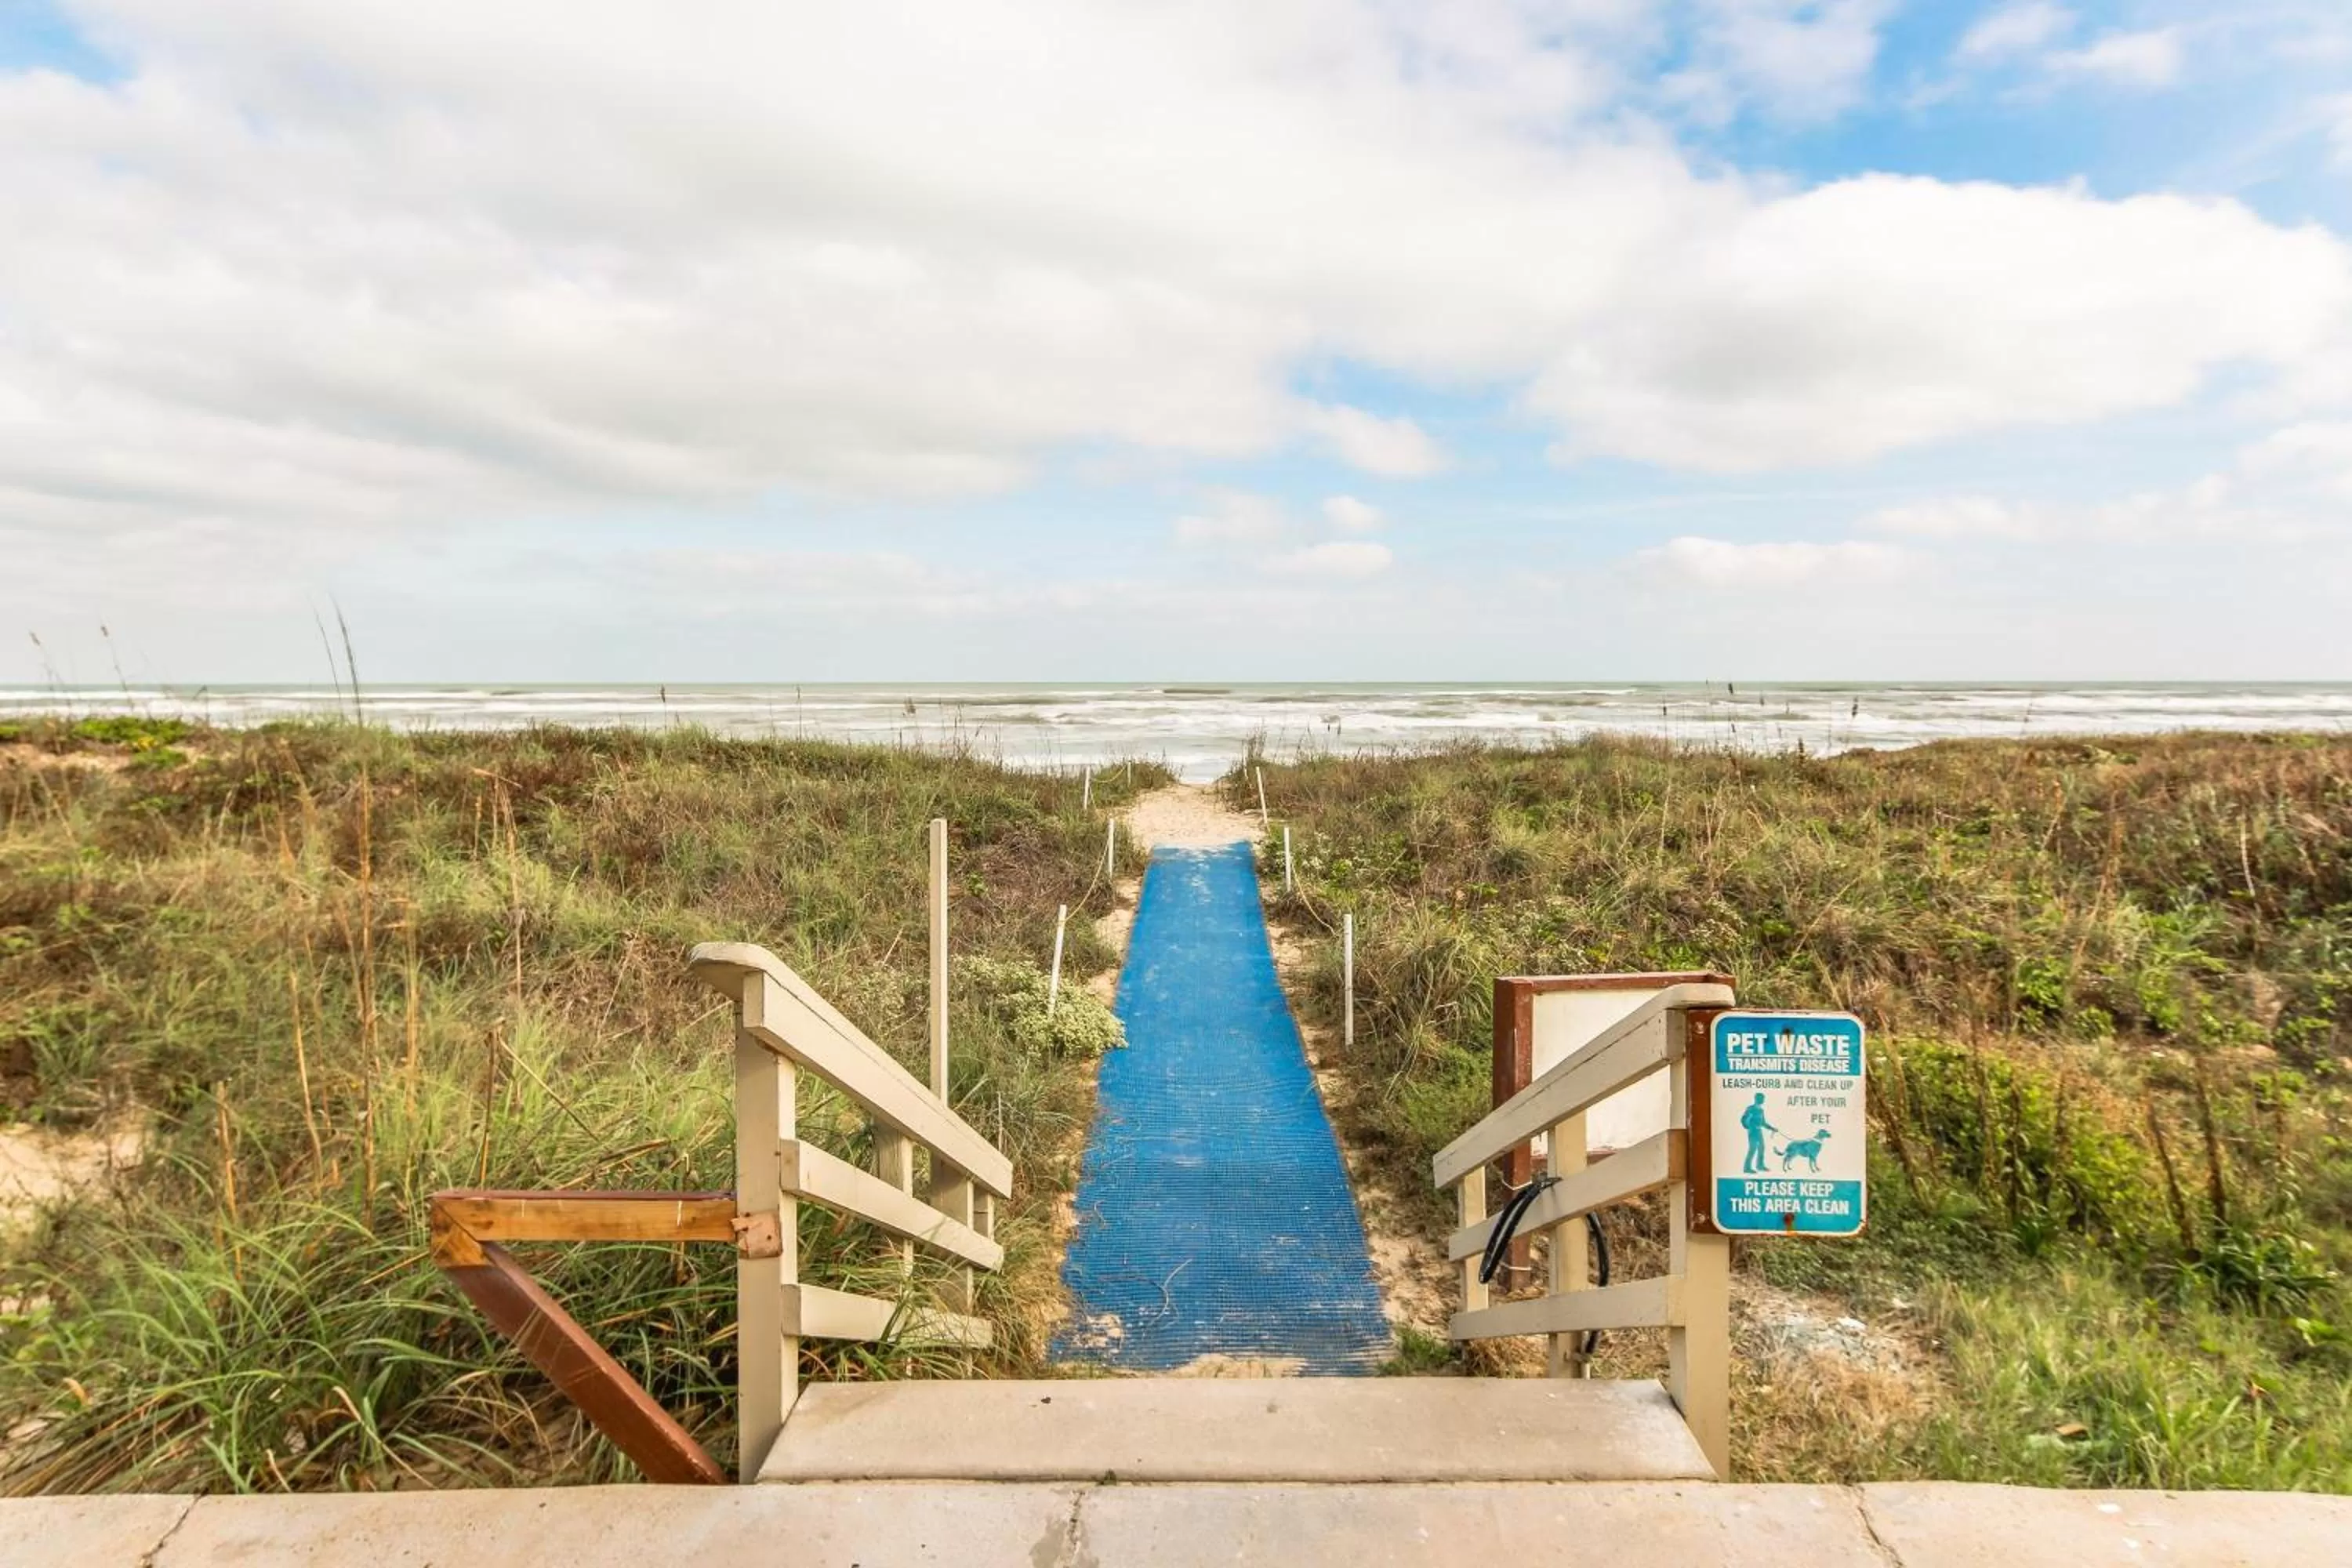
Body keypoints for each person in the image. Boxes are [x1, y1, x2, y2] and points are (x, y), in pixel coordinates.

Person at [1740, 1093, 1779, 1174]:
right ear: (1756, 1099)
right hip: (1752, 1132)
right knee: (1753, 1149)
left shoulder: (1761, 1110)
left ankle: (1760, 1166)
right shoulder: (1750, 1109)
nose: (1763, 1100)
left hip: (1759, 1131)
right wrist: (1749, 1120)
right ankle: (1747, 1168)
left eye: (1763, 1099)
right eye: (1761, 1099)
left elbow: (1763, 1123)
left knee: (1762, 1148)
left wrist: (1772, 1128)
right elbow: (1743, 1120)